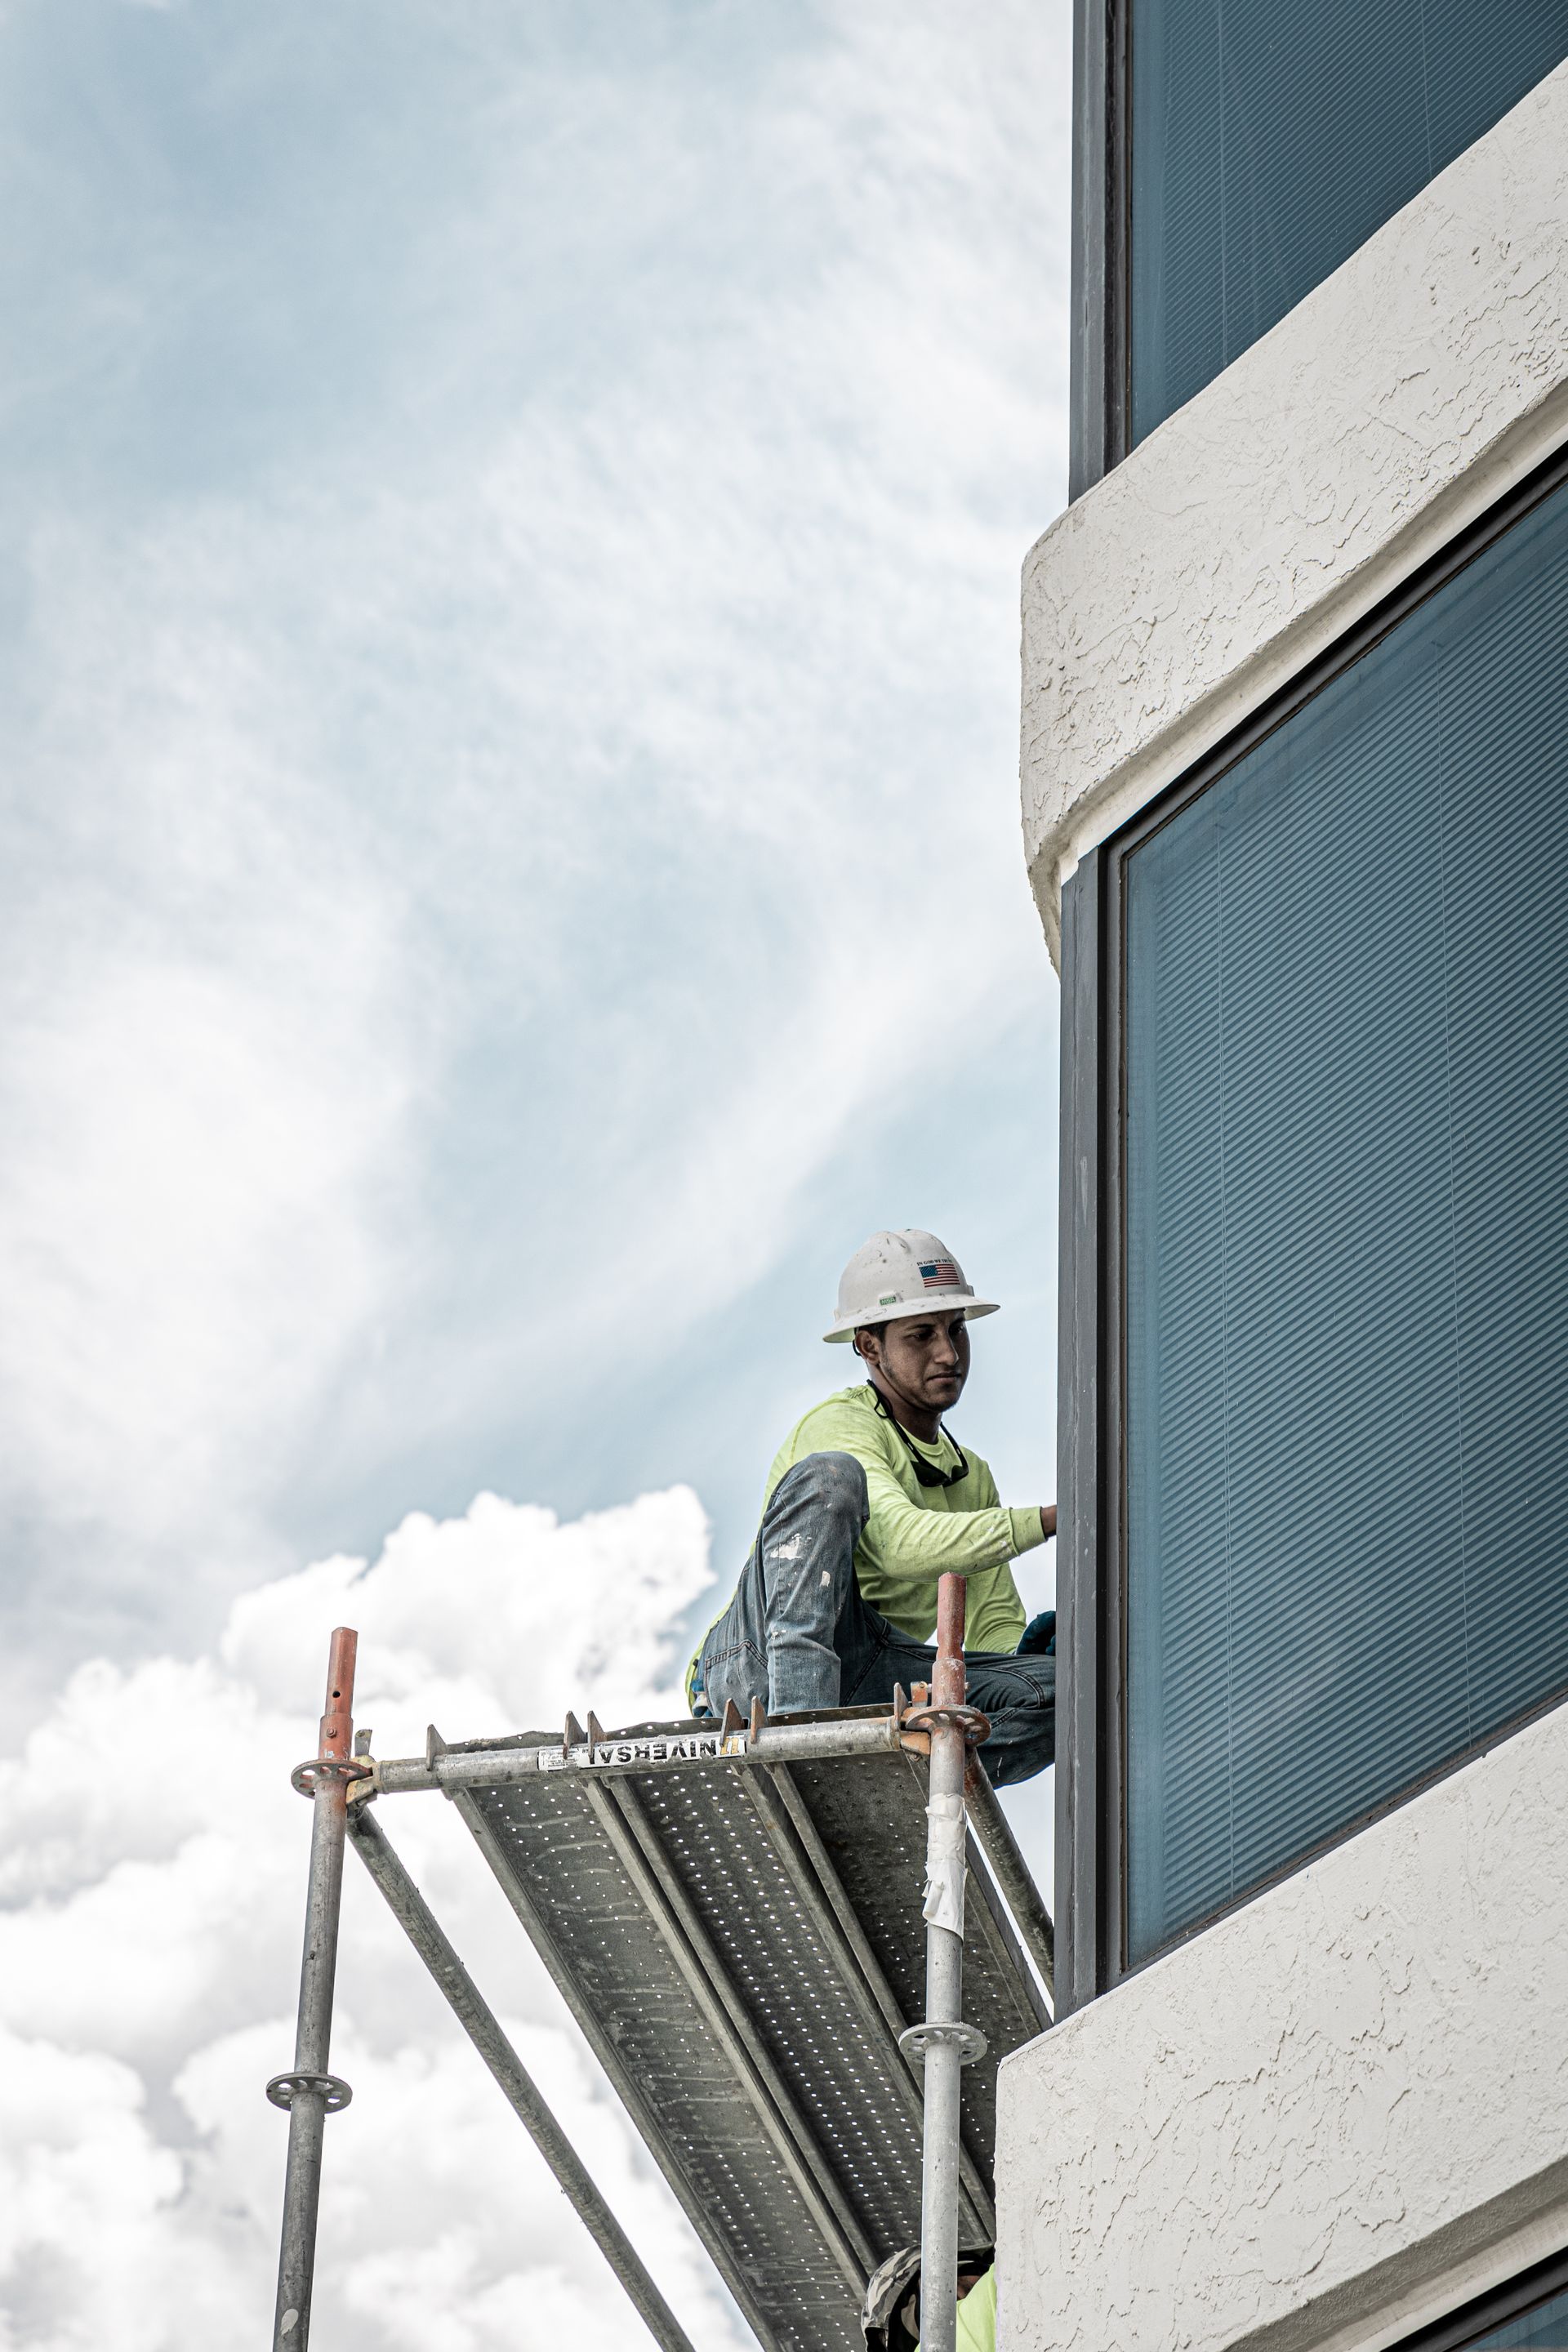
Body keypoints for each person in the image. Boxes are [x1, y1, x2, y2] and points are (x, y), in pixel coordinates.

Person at [688, 1229, 1056, 1787]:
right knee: (830, 1477)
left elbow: (991, 1622)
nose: (948, 1353)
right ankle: (802, 1747)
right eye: (921, 1335)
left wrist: (1023, 1662)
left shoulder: (968, 1475)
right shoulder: (840, 1423)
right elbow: (899, 1544)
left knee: (1067, 1688)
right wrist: (1053, 1520)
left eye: (957, 1330)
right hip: (759, 1660)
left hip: (869, 1671)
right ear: (869, 1345)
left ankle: (901, 1774)